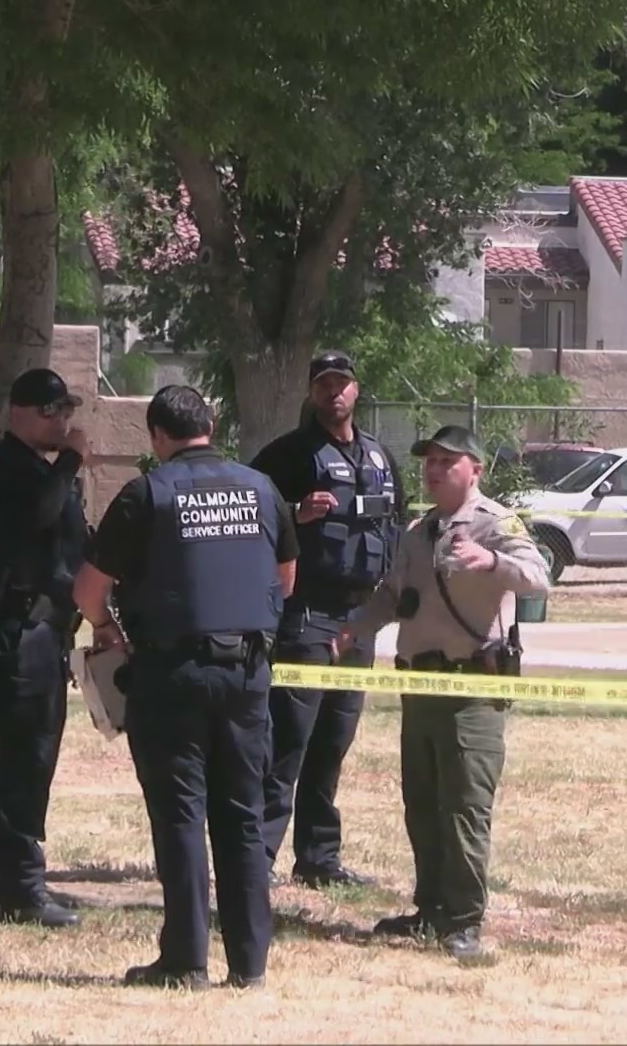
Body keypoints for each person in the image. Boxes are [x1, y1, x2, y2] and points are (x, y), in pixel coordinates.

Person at [72, 385, 300, 990]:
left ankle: (185, 959)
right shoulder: (261, 489)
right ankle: (249, 964)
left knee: (180, 816)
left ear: (157, 437)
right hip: (248, 671)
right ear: (212, 425)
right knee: (243, 817)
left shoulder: (147, 493)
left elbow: (89, 591)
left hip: (171, 674)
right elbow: (285, 579)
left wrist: (108, 630)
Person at [336, 425, 549, 963]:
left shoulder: (496, 522)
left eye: (446, 461)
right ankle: (429, 911)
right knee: (423, 806)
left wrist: (491, 562)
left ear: (475, 469)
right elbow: (393, 597)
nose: (433, 470)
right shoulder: (419, 529)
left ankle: (464, 922)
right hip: (420, 685)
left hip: (471, 687)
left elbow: (538, 576)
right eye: (429, 461)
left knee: (464, 808)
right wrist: (355, 627)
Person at [246, 350, 404, 888]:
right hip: (306, 615)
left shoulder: (380, 456)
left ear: (357, 390)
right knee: (288, 740)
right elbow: (249, 519)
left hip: (358, 618)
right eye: (324, 384)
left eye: (342, 383)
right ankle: (257, 858)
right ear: (311, 393)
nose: (334, 392)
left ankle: (318, 857)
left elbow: (396, 525)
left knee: (334, 741)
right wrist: (295, 513)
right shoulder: (288, 455)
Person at [0, 367, 89, 929]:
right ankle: (19, 886)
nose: (63, 422)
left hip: (46, 632)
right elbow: (36, 515)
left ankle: (4, 883)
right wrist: (69, 464)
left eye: (67, 412)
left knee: (31, 756)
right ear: (19, 412)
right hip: (14, 632)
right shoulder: (1, 468)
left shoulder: (45, 472)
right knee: (25, 755)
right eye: (52, 412)